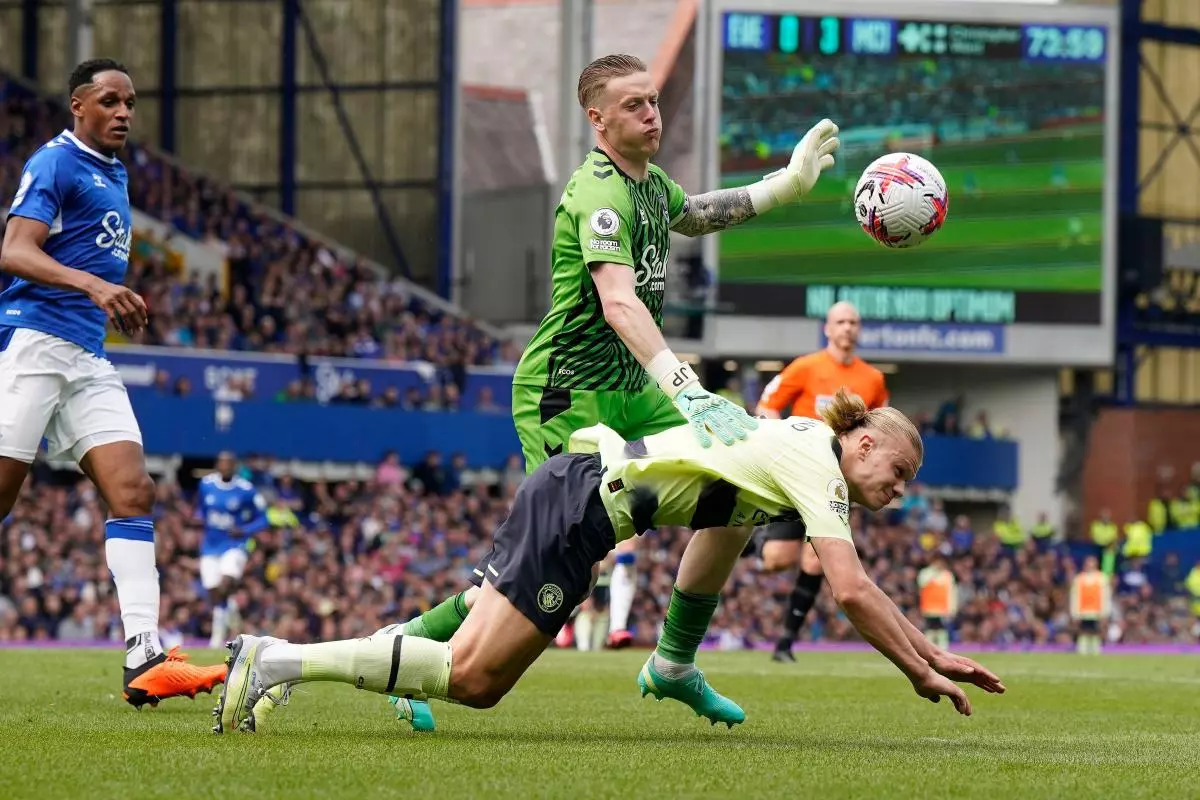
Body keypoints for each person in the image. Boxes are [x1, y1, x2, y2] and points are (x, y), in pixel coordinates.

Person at [369, 53, 841, 729]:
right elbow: (619, 304)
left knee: (741, 488)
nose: (652, 114)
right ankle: (402, 647)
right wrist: (688, 389)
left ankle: (673, 662)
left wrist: (781, 188)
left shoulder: (647, 184)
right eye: (634, 106)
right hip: (569, 391)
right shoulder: (599, 194)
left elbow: (697, 214)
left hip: (629, 384)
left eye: (653, 102)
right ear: (597, 119)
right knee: (557, 564)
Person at [214, 390, 1006, 735]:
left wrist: (932, 649)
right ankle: (274, 660)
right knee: (475, 680)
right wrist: (919, 669)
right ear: (862, 444)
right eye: (896, 475)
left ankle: (282, 663)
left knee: (468, 658)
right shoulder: (816, 464)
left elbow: (712, 547)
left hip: (578, 496)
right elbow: (850, 588)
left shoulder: (792, 458)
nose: (898, 493)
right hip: (581, 506)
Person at [0, 58, 226, 707]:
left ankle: (144, 655)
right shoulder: (56, 162)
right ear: (78, 105)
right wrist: (97, 286)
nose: (123, 112)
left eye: (129, 101)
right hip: (35, 340)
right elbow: (14, 250)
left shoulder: (114, 170)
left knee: (132, 488)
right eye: (109, 101)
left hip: (87, 354)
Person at [751, 301, 889, 662]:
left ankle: (784, 643)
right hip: (796, 472)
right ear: (827, 328)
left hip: (835, 482)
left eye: (853, 322)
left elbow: (881, 431)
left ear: (858, 330)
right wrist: (778, 441)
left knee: (816, 562)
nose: (847, 327)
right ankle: (755, 538)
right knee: (777, 561)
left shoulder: (872, 379)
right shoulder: (806, 367)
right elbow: (767, 405)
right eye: (841, 321)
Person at [196, 451, 270, 647]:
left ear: (235, 466)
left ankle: (217, 636)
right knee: (213, 591)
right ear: (217, 464)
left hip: (234, 545)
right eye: (222, 462)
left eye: (230, 463)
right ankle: (232, 610)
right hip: (210, 546)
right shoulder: (206, 485)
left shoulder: (246, 490)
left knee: (225, 584)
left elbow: (264, 518)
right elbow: (202, 510)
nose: (226, 466)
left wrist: (244, 530)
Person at [1069, 556, 1111, 656]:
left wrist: (1105, 612)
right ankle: (1082, 649)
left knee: (1095, 631)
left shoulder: (1102, 578)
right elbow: (1075, 597)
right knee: (1083, 631)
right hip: (1082, 611)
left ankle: (1095, 649)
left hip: (1097, 611)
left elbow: (1105, 596)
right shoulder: (1079, 579)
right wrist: (1074, 613)